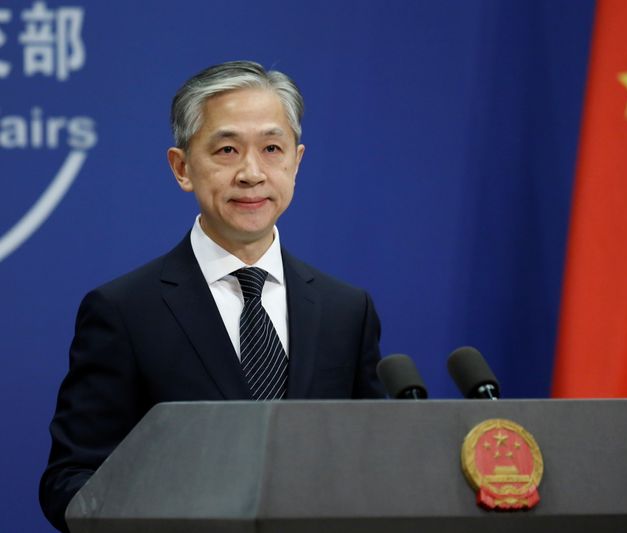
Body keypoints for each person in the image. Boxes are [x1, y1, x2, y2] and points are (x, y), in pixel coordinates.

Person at [39, 60, 384, 533]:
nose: (251, 173)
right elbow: (70, 482)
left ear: (296, 162)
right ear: (182, 167)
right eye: (226, 149)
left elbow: (377, 466)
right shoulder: (124, 311)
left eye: (271, 148)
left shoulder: (346, 310)